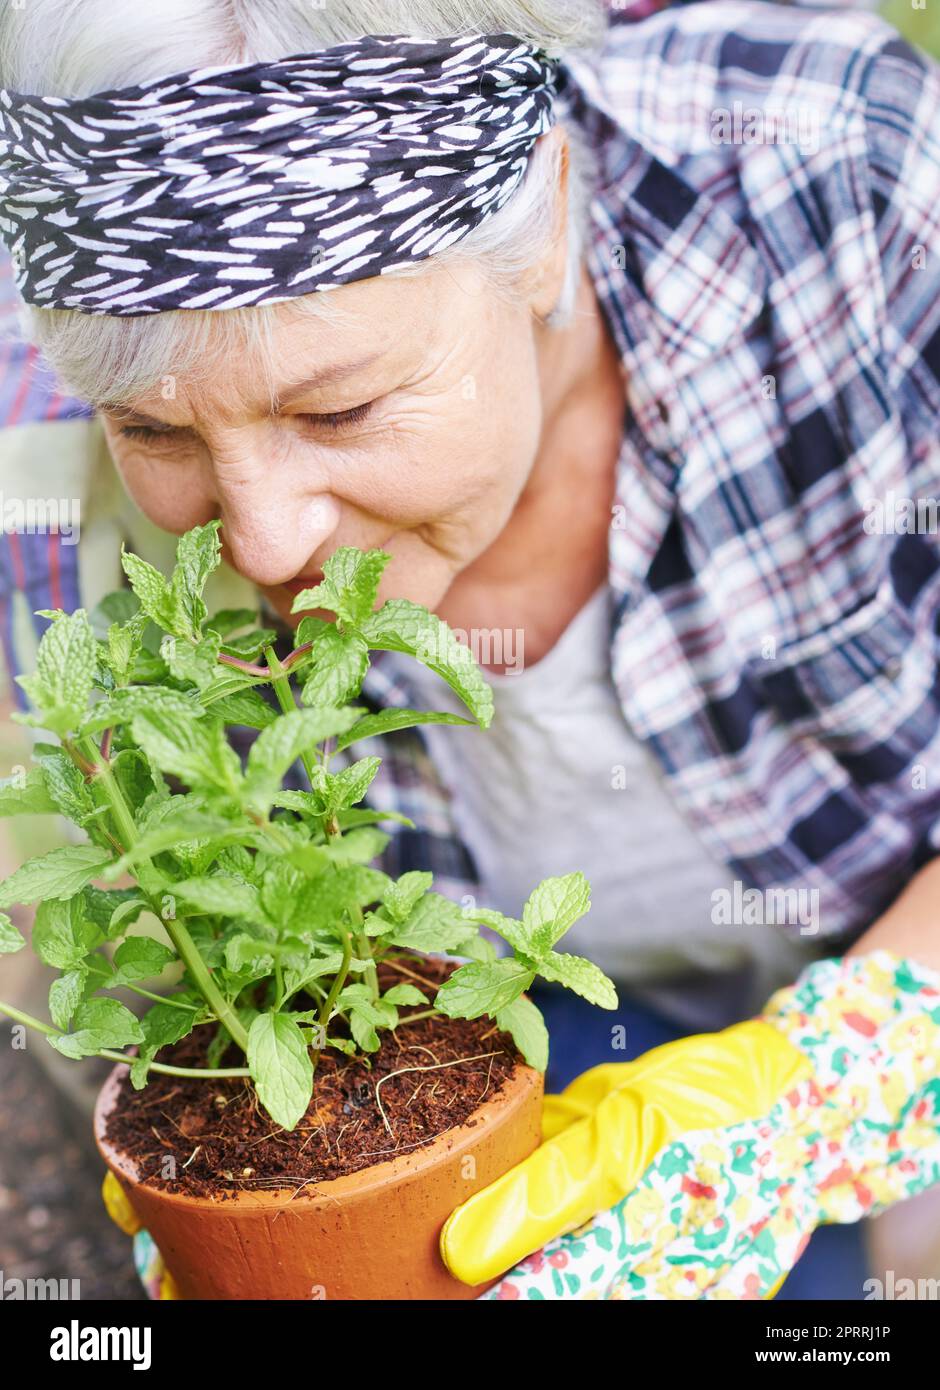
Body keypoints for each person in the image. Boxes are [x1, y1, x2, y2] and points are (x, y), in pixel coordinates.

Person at [2, 0, 940, 1300]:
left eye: (337, 406)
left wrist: (829, 1088)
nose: (265, 543)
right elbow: (179, 966)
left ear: (547, 221)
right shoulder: (55, 494)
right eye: (156, 433)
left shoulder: (849, 182)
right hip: (485, 1026)